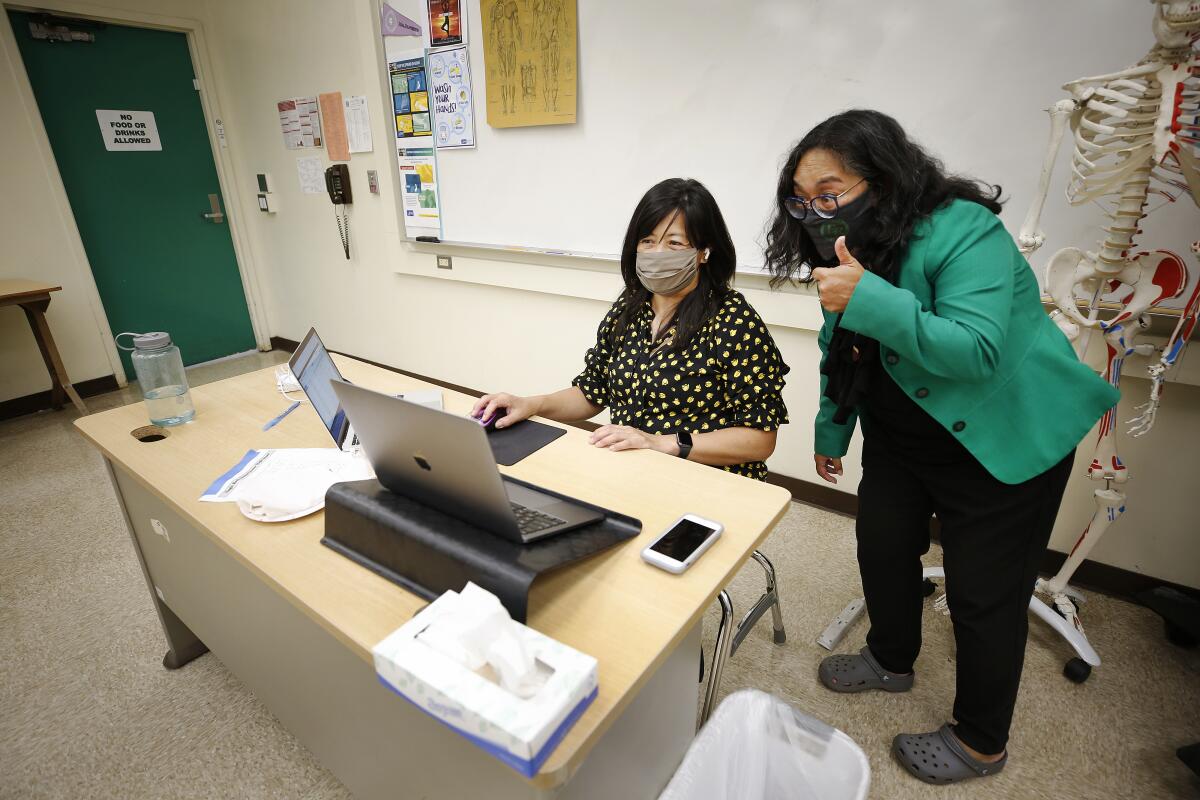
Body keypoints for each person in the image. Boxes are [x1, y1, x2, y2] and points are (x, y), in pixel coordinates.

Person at [763, 110, 1119, 785]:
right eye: (803, 200)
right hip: (904, 439)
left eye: (830, 192)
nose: (816, 211)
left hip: (1001, 440)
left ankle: (982, 743)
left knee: (984, 596)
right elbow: (843, 348)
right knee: (883, 545)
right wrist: (831, 431)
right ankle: (891, 659)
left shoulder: (964, 228)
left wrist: (866, 296)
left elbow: (976, 350)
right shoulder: (850, 248)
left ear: (884, 177)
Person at [473, 177, 789, 481]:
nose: (656, 253)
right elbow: (593, 392)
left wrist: (662, 442)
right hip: (630, 469)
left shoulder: (734, 322)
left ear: (705, 251)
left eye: (674, 243)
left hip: (707, 480)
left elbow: (759, 439)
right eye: (647, 241)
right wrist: (531, 404)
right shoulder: (631, 306)